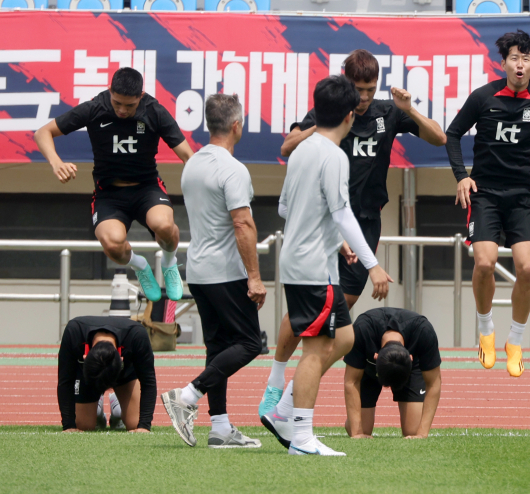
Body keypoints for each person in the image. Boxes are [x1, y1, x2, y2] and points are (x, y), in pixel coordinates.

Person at [259, 49, 446, 416]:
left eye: (369, 90)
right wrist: (326, 123)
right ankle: (275, 383)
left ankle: (292, 397)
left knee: (338, 318)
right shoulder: (330, 113)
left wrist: (408, 109)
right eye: (357, 90)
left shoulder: (387, 111)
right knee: (308, 312)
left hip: (367, 221)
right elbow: (287, 147)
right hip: (328, 222)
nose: (363, 98)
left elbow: (439, 138)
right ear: (345, 83)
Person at [261, 75, 392, 456]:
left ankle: (285, 411)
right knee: (315, 352)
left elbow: (288, 207)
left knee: (346, 339)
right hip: (312, 267)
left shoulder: (301, 149)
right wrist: (373, 265)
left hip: (308, 261)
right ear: (351, 115)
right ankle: (300, 436)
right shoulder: (334, 155)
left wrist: (338, 243)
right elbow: (343, 213)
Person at [445, 30, 530, 377]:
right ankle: (485, 331)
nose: (520, 64)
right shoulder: (483, 97)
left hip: (522, 197)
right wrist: (461, 175)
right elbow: (453, 134)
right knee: (485, 263)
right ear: (503, 63)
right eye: (514, 57)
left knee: (527, 268)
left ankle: (515, 340)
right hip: (485, 195)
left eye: (526, 59)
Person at [34, 67, 193, 303]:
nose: (122, 110)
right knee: (112, 244)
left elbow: (188, 155)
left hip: (147, 188)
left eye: (129, 106)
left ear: (141, 96)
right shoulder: (95, 108)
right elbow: (42, 133)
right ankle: (140, 266)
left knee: (164, 226)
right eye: (117, 103)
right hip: (109, 194)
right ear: (110, 92)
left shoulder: (155, 112)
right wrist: (56, 163)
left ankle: (169, 264)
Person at [161, 94, 266, 449]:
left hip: (199, 270)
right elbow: (243, 224)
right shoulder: (232, 169)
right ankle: (188, 395)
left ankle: (219, 428)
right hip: (226, 272)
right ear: (237, 126)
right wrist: (254, 277)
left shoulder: (192, 164)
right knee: (251, 343)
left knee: (218, 347)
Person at [343, 308, 441, 439]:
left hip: (406, 367)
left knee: (413, 430)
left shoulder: (424, 331)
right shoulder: (362, 329)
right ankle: (353, 422)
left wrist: (422, 434)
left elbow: (434, 383)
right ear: (376, 356)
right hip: (367, 366)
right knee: (362, 430)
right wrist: (356, 433)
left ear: (410, 357)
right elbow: (351, 381)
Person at [57, 316, 157, 432]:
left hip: (125, 374)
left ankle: (117, 405)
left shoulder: (137, 335)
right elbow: (65, 381)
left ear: (121, 358)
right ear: (85, 356)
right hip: (88, 376)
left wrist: (144, 425)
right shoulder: (74, 331)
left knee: (135, 424)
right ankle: (97, 405)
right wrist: (68, 425)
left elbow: (148, 381)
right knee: (84, 426)